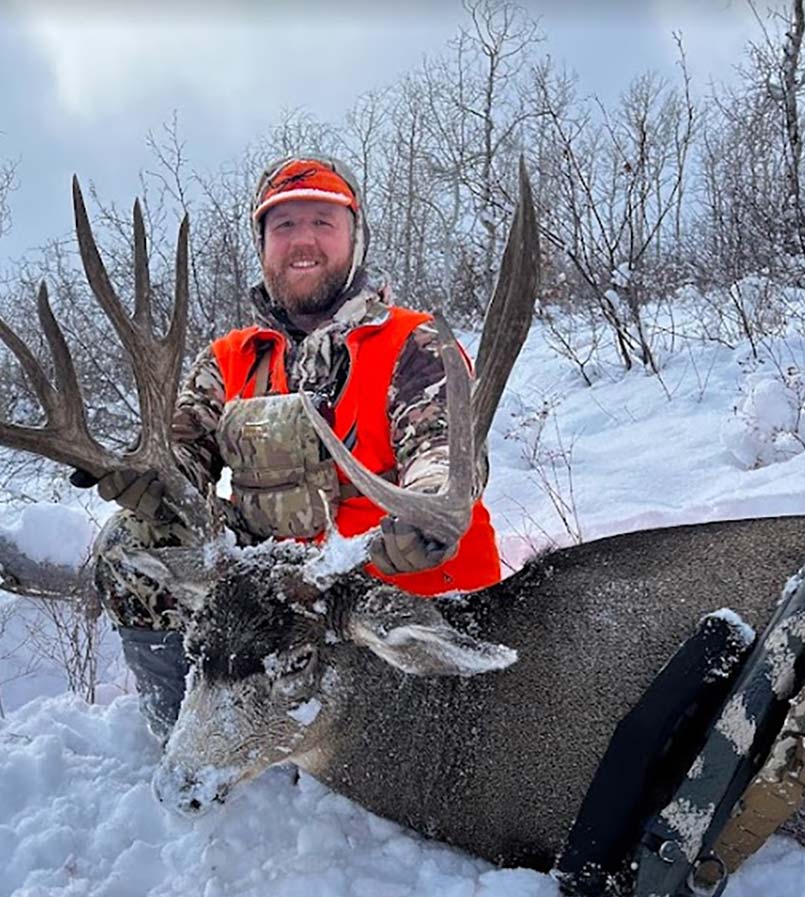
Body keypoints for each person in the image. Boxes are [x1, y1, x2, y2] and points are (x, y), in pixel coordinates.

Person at [85, 154, 501, 739]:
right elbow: (184, 451)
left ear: (354, 238)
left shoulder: (413, 341)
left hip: (384, 586)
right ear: (263, 246)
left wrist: (427, 512)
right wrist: (153, 480)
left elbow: (444, 450)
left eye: (322, 223)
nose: (302, 240)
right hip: (274, 601)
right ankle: (190, 730)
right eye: (283, 226)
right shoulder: (231, 357)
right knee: (132, 540)